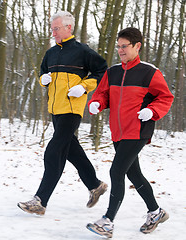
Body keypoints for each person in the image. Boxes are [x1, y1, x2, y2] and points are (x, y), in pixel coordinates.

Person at [17, 11, 108, 216]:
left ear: (69, 28)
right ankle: (95, 185)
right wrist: (44, 80)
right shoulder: (50, 53)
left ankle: (40, 200)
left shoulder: (83, 51)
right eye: (52, 29)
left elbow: (102, 71)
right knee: (70, 150)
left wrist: (84, 87)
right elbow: (42, 72)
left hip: (72, 108)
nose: (53, 32)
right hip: (55, 108)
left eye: (56, 28)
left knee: (54, 151)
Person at [86, 27, 174, 238]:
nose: (120, 50)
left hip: (138, 130)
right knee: (133, 173)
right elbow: (102, 94)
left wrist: (151, 111)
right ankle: (156, 212)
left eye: (124, 46)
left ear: (137, 46)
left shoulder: (149, 72)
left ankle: (107, 221)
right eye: (118, 46)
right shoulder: (112, 72)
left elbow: (166, 97)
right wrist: (97, 103)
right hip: (118, 131)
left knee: (116, 172)